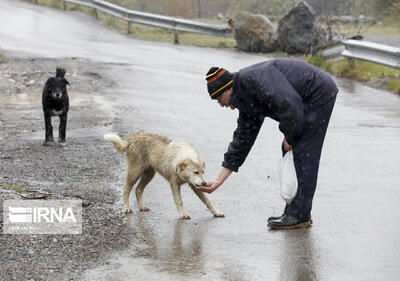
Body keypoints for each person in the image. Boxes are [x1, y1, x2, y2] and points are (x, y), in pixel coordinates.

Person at [197, 59, 338, 230]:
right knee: (291, 150)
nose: (221, 104)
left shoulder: (254, 81)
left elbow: (290, 106)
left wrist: (290, 138)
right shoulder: (245, 95)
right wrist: (219, 180)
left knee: (303, 152)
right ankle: (293, 212)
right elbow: (243, 138)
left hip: (318, 93)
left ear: (228, 88)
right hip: (304, 101)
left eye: (219, 98)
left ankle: (299, 216)